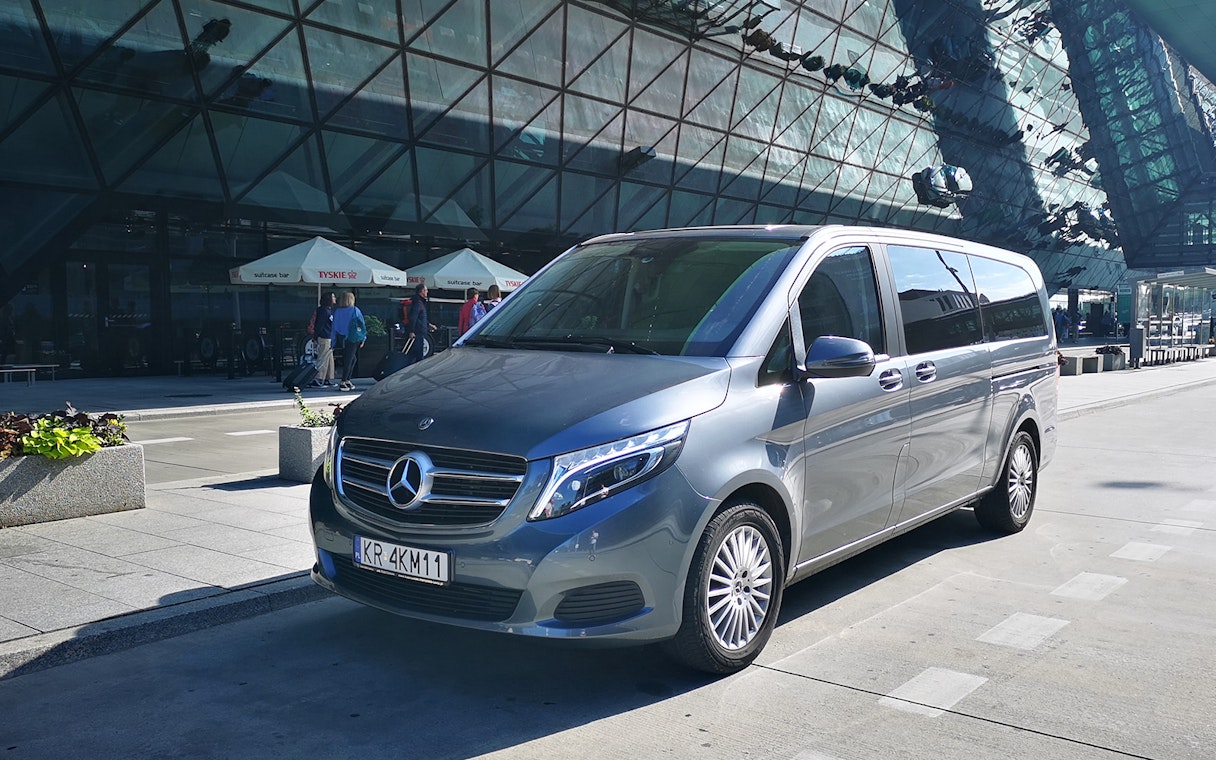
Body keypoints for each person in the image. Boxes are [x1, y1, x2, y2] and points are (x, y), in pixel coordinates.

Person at [331, 291, 367, 392]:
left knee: (351, 358)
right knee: (349, 359)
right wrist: (363, 338)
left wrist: (333, 341)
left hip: (341, 337)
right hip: (353, 337)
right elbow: (361, 325)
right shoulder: (355, 310)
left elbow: (334, 327)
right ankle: (343, 381)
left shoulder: (337, 311)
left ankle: (347, 380)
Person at [308, 292, 336, 387]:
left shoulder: (327, 310)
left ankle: (328, 378)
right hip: (324, 336)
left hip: (328, 337)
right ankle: (319, 378)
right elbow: (320, 325)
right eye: (333, 297)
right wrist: (316, 336)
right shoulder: (324, 311)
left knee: (329, 359)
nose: (335, 298)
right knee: (323, 358)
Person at [406, 283, 435, 366]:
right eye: (426, 290)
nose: (427, 292)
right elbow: (413, 317)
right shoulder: (418, 303)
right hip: (417, 332)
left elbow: (420, 317)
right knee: (417, 355)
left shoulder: (418, 302)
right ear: (422, 291)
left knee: (416, 355)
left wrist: (428, 324)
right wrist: (411, 331)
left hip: (418, 331)